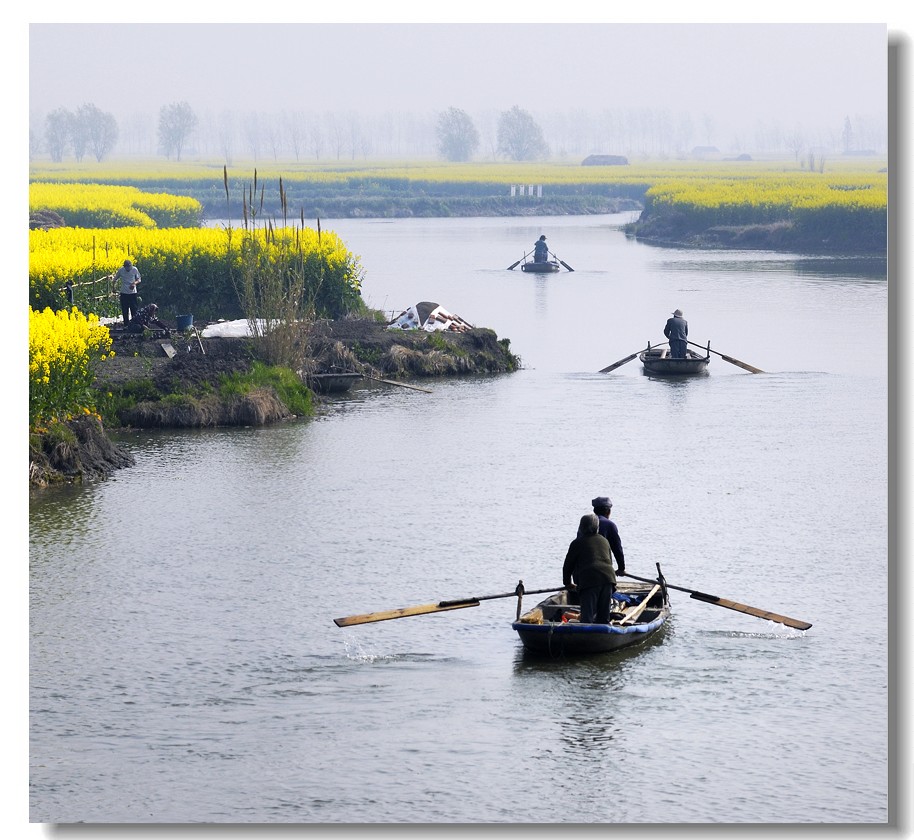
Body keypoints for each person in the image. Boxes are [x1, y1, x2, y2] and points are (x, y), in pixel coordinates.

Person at [562, 513, 619, 624]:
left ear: (581, 527)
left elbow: (568, 566)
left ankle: (586, 638)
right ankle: (602, 636)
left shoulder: (577, 543)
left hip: (589, 580)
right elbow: (609, 562)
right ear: (597, 527)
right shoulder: (604, 541)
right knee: (603, 616)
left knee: (587, 617)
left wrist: (567, 583)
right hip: (608, 579)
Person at [591, 496, 625, 576]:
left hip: (581, 570)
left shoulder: (585, 523)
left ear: (594, 511)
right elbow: (617, 548)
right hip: (602, 570)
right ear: (608, 512)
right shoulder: (609, 525)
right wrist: (621, 568)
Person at [115, 259, 141, 328]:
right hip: (124, 292)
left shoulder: (134, 269)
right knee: (124, 309)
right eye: (126, 267)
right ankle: (126, 324)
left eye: (129, 267)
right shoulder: (121, 270)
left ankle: (135, 323)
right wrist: (113, 288)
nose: (128, 268)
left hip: (133, 293)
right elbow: (115, 279)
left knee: (134, 309)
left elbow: (139, 279)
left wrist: (134, 283)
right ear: (124, 266)